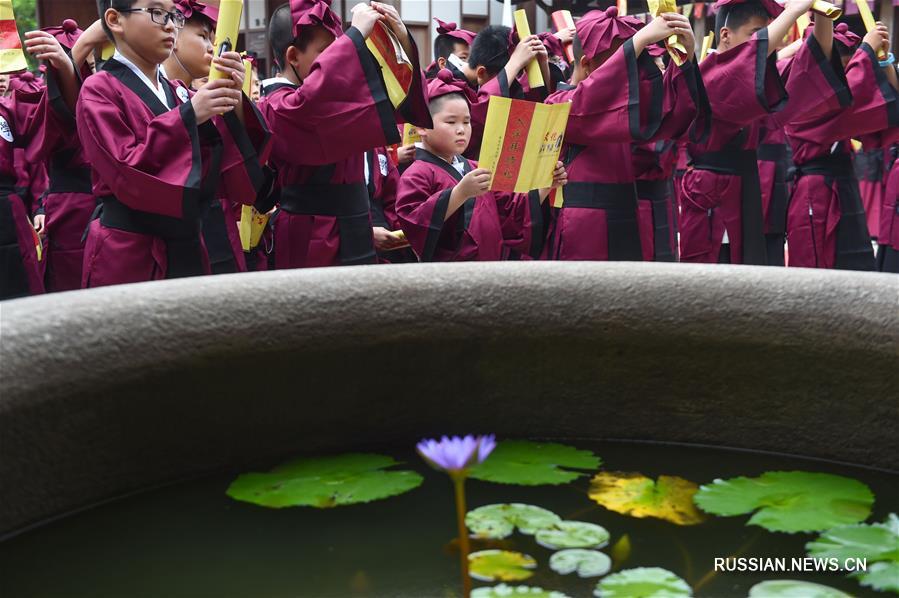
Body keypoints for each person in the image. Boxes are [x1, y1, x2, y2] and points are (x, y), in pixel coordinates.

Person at [77, 0, 270, 287]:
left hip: (187, 245)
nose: (169, 25)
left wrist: (233, 100)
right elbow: (128, 171)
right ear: (116, 20)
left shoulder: (178, 92)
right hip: (130, 250)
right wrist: (191, 115)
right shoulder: (98, 90)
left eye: (173, 15)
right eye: (156, 12)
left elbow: (219, 163)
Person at [257, 0, 430, 269]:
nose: (337, 59)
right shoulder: (276, 106)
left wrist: (401, 40)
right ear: (293, 56)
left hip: (358, 222)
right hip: (312, 230)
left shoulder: (333, 93)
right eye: (328, 52)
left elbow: (396, 94)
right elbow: (313, 99)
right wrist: (354, 37)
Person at [680, 0, 837, 265]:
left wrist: (824, 12)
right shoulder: (710, 73)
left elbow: (815, 60)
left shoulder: (762, 78)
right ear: (726, 36)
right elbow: (745, 65)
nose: (765, 44)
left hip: (747, 188)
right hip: (710, 192)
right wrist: (793, 11)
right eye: (755, 35)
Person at [544, 7, 704, 261]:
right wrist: (637, 42)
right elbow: (591, 99)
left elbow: (670, 113)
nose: (628, 80)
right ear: (586, 65)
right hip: (583, 225)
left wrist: (684, 56)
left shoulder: (623, 109)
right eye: (622, 67)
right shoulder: (558, 104)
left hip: (628, 216)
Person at [396, 69, 565, 262]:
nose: (461, 130)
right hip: (450, 275)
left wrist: (545, 185)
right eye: (451, 122)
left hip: (490, 267)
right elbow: (414, 223)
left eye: (466, 122)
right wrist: (460, 193)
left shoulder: (477, 167)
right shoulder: (416, 173)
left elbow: (510, 212)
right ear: (422, 127)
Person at [784, 21, 899, 269]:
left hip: (843, 186)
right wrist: (867, 49)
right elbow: (853, 94)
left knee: (854, 269)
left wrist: (884, 61)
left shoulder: (838, 107)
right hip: (815, 191)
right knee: (816, 268)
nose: (844, 81)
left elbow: (886, 114)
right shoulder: (805, 95)